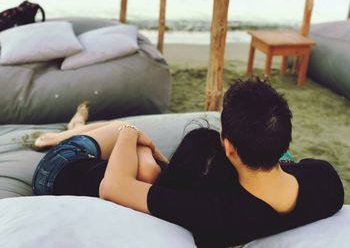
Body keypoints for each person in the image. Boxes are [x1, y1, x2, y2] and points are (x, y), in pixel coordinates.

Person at [32, 79, 344, 247]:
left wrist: (129, 130)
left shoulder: (218, 211)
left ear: (230, 149)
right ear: (282, 144)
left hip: (64, 165)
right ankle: (76, 130)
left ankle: (69, 133)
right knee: (145, 160)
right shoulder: (327, 182)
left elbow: (113, 187)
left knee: (123, 133)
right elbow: (292, 168)